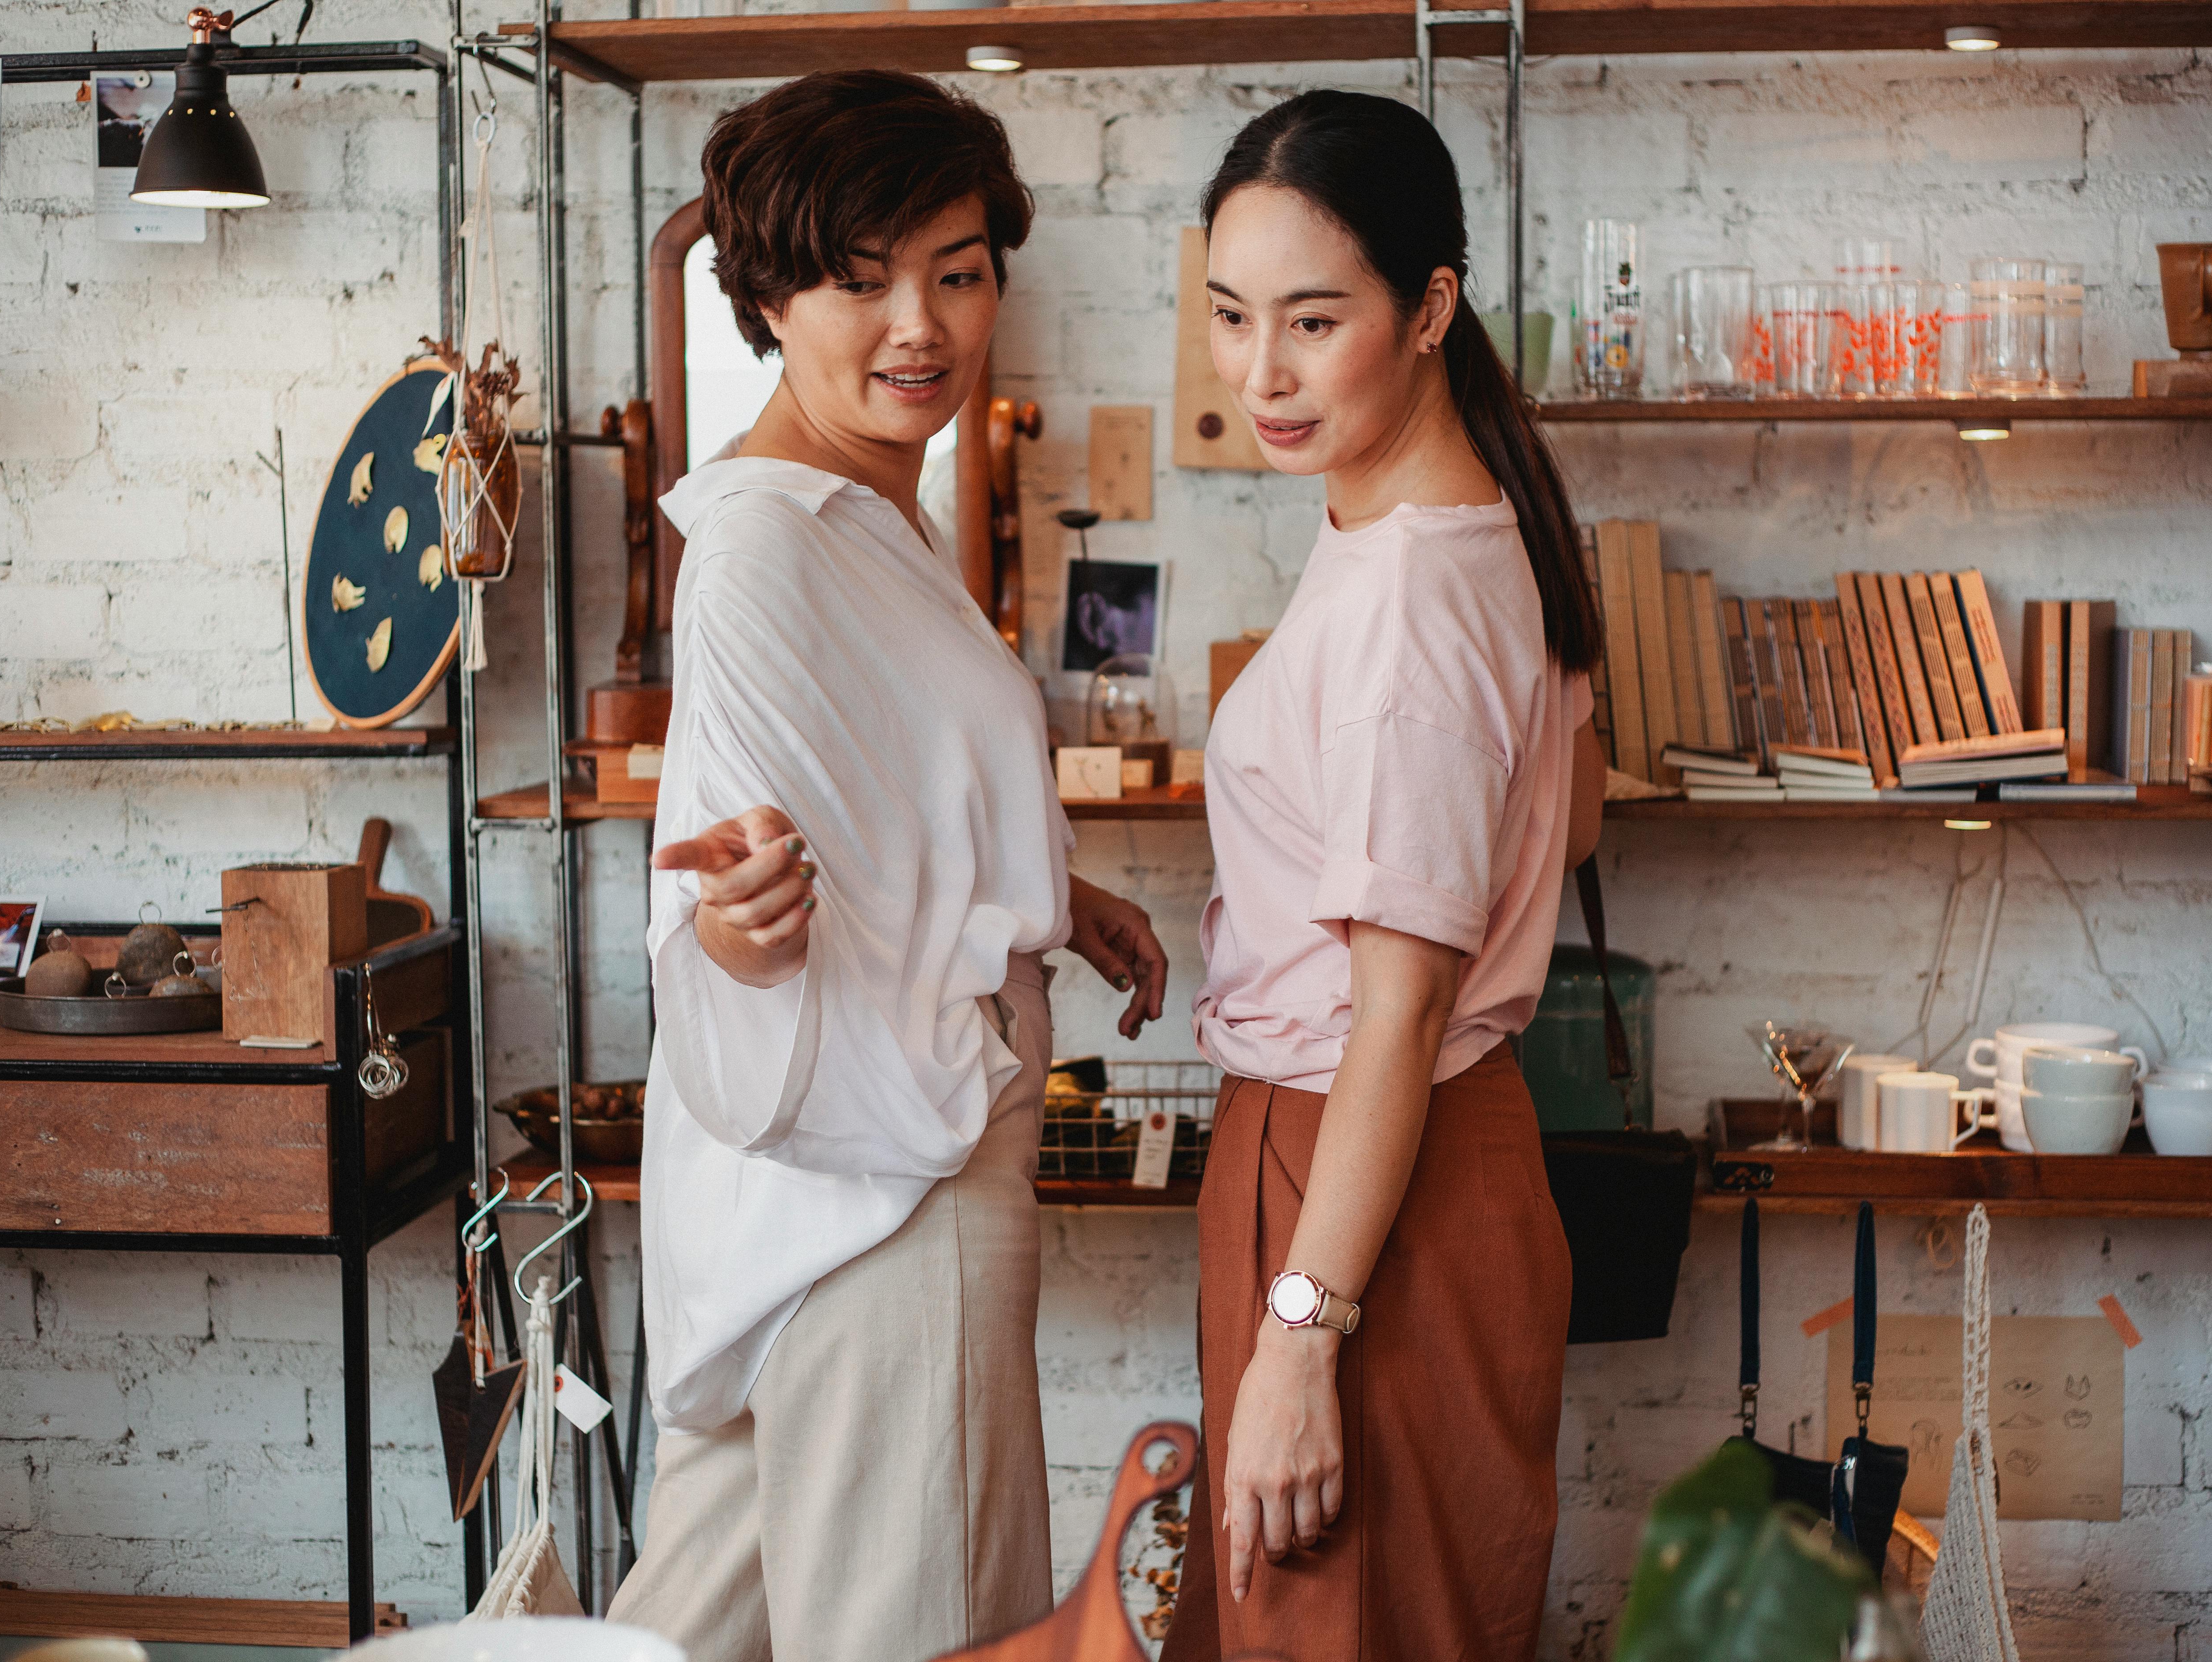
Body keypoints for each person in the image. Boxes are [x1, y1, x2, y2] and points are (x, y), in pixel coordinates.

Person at [604, 70, 1169, 1662]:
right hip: (887, 1191)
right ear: (769, 299)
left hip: (823, 1199)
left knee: (691, 1639)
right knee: (923, 1639)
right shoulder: (775, 545)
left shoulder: (870, 518)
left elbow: (897, 811)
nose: (918, 324)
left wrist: (1053, 896)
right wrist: (746, 942)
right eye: (860, 280)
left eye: (959, 270)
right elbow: (735, 887)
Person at [1161, 90, 1607, 1662]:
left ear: (1430, 310)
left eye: (1311, 320)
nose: (1259, 374)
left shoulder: (1411, 592)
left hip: (1357, 1179)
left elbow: (1398, 1018)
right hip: (1423, 1166)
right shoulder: (1470, 521)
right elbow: (1577, 826)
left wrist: (1297, 1339)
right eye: (1228, 316)